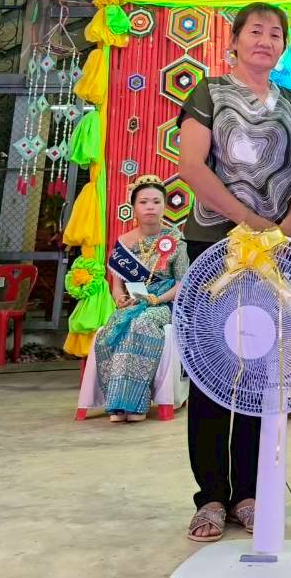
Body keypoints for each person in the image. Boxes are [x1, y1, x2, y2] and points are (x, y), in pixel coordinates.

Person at [177, 2, 291, 544]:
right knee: (213, 370)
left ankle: (251, 495)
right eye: (255, 31)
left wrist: (288, 225)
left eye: (275, 33)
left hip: (279, 249)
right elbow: (192, 167)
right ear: (234, 40)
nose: (265, 40)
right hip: (217, 245)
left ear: (284, 46)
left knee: (262, 371)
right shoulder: (208, 94)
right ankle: (211, 495)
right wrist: (250, 222)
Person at [93, 177, 190, 422]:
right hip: (134, 304)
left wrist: (156, 299)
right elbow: (117, 285)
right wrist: (120, 301)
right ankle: (117, 402)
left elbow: (182, 283)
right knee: (113, 329)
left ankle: (136, 403)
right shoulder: (123, 243)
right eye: (144, 202)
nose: (150, 207)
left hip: (165, 304)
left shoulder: (176, 240)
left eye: (156, 202)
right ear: (134, 207)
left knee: (141, 324)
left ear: (165, 206)